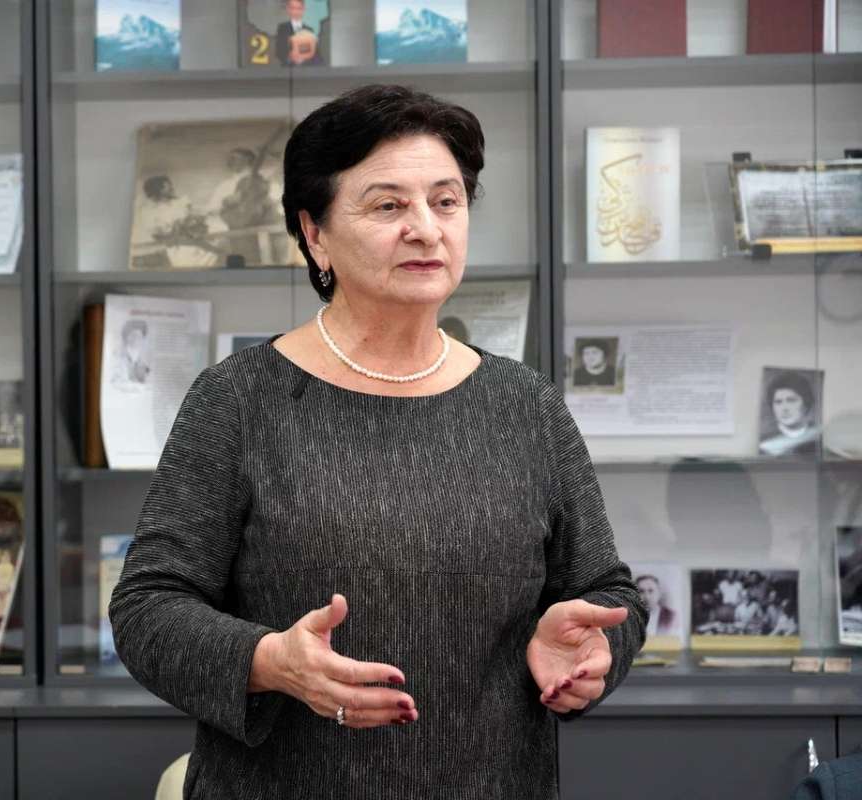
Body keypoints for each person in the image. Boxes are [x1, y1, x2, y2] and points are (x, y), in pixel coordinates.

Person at [109, 84, 646, 798]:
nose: (426, 229)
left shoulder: (526, 405)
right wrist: (270, 660)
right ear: (315, 233)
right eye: (388, 206)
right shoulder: (238, 398)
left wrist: (593, 649)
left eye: (446, 201)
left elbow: (606, 591)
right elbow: (148, 608)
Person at [759, 370, 821, 457]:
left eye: (791, 400)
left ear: (806, 403)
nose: (784, 408)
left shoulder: (818, 437)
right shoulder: (764, 442)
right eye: (778, 402)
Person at [274, 0, 323, 66]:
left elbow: (316, 54)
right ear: (288, 9)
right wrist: (291, 58)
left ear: (303, 10)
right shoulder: (282, 28)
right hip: (289, 68)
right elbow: (279, 52)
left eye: (299, 8)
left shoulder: (309, 30)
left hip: (306, 68)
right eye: (293, 8)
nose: (296, 12)